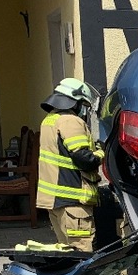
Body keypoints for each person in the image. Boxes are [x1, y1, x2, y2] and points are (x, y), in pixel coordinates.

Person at [36, 78, 104, 252]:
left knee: (67, 253)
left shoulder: (49, 120)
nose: (83, 110)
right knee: (82, 253)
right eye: (83, 105)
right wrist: (101, 152)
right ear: (75, 102)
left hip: (55, 201)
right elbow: (84, 159)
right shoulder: (70, 121)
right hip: (73, 202)